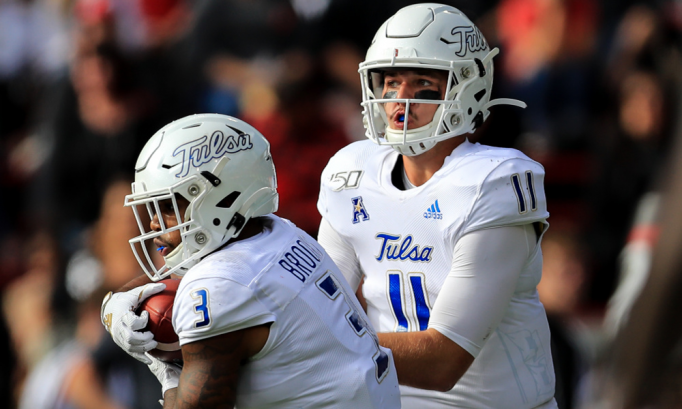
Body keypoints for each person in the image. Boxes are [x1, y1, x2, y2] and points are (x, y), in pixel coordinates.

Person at [316, 4, 557, 408]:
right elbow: (315, 307)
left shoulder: (493, 182)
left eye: (422, 83)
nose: (399, 99)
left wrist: (321, 346)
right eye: (390, 82)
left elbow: (443, 360)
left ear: (467, 88)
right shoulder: (351, 172)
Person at [99, 113, 401, 408]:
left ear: (218, 199)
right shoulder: (277, 232)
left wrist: (166, 371)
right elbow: (189, 276)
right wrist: (115, 303)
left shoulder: (219, 286)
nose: (154, 224)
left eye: (166, 206)